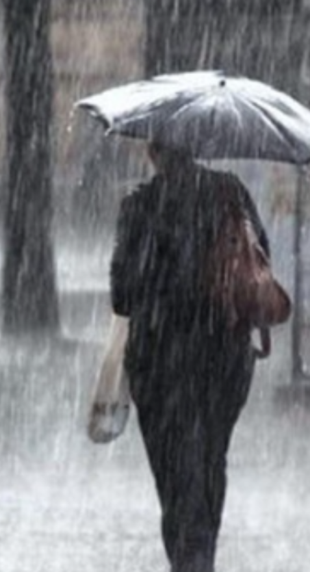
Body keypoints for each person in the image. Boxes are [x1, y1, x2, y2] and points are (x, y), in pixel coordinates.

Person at [110, 141, 268, 572]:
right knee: (210, 458)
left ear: (153, 153)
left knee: (173, 471)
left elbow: (122, 297)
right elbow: (261, 262)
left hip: (159, 358)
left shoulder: (139, 205)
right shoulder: (230, 192)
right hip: (225, 354)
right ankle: (200, 556)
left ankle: (189, 558)